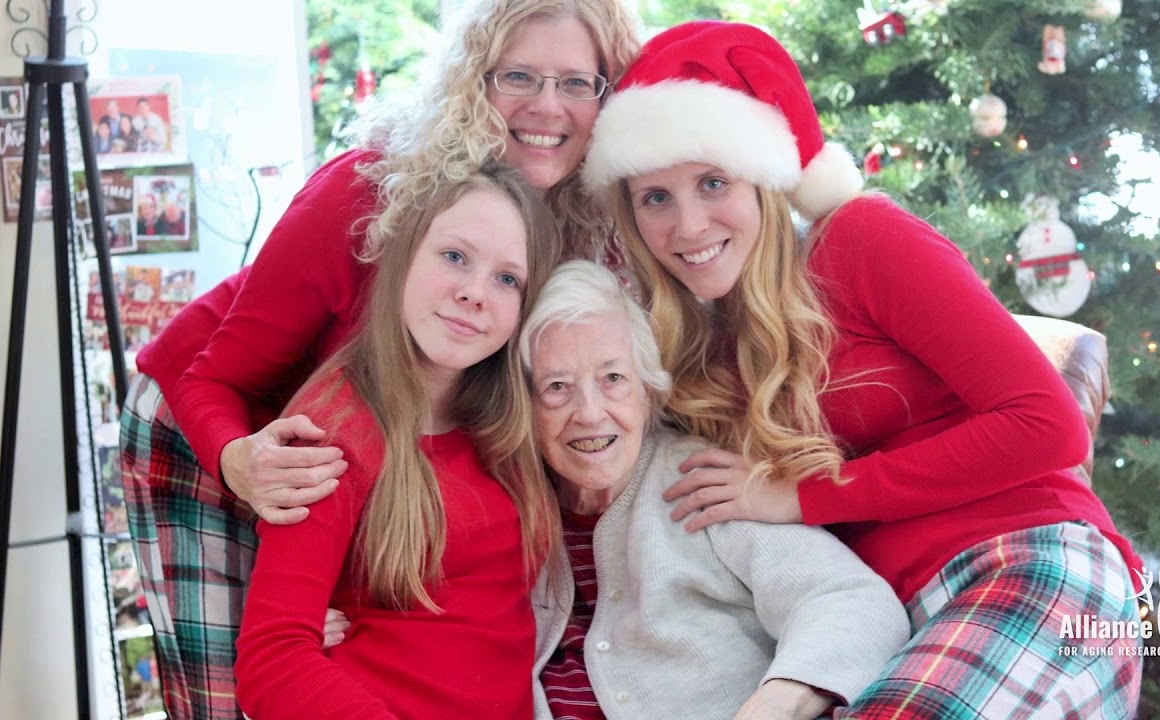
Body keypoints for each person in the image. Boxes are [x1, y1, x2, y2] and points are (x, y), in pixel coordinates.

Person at [581, 21, 1143, 719]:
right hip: (897, 625)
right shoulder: (698, 351)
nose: (688, 225)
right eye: (655, 198)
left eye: (713, 182)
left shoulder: (861, 240)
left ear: (764, 179)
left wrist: (807, 496)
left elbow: (1049, 427)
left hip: (1029, 564)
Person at [118, 1, 638, 718]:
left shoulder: (572, 222)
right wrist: (238, 460)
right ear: (473, 81)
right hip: (208, 415)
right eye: (518, 75)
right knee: (237, 686)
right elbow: (215, 373)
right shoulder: (364, 194)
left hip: (369, 440)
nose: (547, 106)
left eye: (577, 83)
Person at [235, 162, 563, 718]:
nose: (474, 293)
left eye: (508, 278)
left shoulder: (513, 417)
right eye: (455, 257)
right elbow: (270, 658)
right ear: (404, 254)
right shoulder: (334, 430)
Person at [521, 260, 908, 720]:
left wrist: (774, 705)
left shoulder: (695, 477)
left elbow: (853, 600)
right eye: (557, 386)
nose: (589, 412)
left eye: (613, 379)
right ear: (522, 404)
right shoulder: (513, 506)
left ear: (648, 390)